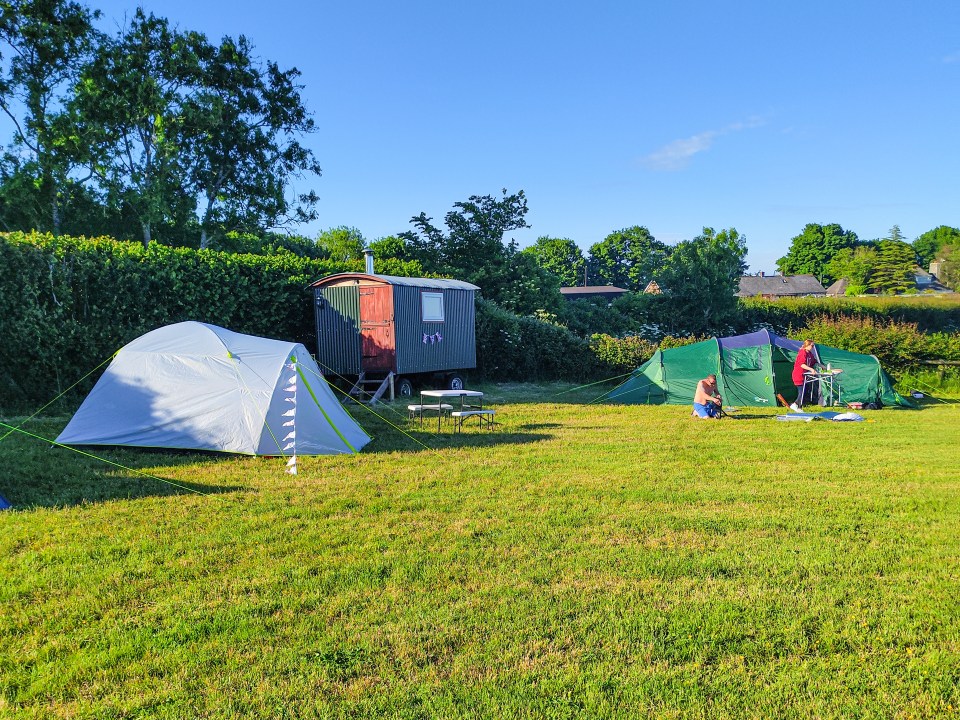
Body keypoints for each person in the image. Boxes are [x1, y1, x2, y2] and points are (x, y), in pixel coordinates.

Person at [791, 339, 817, 410]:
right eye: (812, 345)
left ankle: (798, 406)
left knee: (804, 391)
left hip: (804, 375)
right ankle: (796, 405)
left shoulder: (809, 353)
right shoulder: (802, 352)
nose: (813, 347)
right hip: (798, 375)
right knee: (801, 392)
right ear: (807, 345)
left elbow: (814, 362)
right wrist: (811, 369)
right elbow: (802, 364)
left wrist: (823, 366)